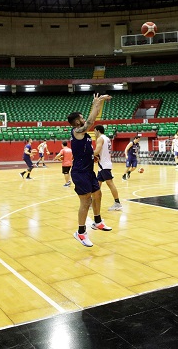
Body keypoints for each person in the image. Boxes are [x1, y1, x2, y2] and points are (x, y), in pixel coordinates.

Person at [67, 93, 112, 247]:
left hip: (89, 170)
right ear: (76, 122)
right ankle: (80, 233)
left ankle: (97, 221)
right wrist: (96, 104)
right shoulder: (77, 131)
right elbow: (92, 120)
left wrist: (93, 156)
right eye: (81, 117)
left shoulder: (84, 134)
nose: (84, 119)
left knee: (98, 194)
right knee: (86, 201)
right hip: (79, 173)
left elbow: (85, 149)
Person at [94, 125, 122, 211]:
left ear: (98, 131)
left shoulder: (100, 139)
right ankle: (93, 202)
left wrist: (88, 155)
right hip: (103, 164)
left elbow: (97, 151)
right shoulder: (107, 138)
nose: (94, 133)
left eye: (95, 131)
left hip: (104, 165)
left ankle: (117, 203)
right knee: (97, 184)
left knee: (110, 183)